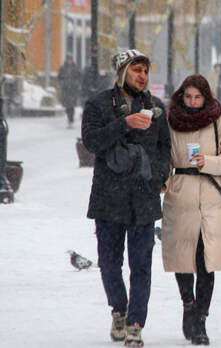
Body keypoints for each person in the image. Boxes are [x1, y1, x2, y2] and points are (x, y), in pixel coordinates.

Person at [81, 49, 171, 346]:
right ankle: (119, 310)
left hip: (143, 199)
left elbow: (163, 149)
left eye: (145, 71)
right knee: (109, 263)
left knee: (141, 265)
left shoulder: (156, 107)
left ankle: (135, 324)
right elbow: (92, 142)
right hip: (109, 197)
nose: (142, 76)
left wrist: (156, 177)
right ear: (122, 72)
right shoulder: (98, 105)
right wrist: (125, 123)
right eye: (136, 70)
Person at [162, 75, 221, 345]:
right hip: (180, 195)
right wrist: (162, 183)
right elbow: (161, 156)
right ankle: (188, 305)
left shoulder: (218, 120)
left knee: (206, 261)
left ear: (205, 97)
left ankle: (201, 319)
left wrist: (208, 162)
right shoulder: (171, 121)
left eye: (197, 97)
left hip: (211, 196)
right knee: (181, 257)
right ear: (181, 97)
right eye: (188, 97)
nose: (193, 102)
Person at [58, 56, 82, 127]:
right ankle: (69, 119)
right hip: (65, 90)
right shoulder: (63, 68)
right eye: (68, 60)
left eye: (70, 60)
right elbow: (59, 77)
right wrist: (63, 83)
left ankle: (71, 120)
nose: (69, 61)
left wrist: (76, 84)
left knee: (72, 106)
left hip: (73, 90)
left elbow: (79, 77)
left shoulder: (75, 69)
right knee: (67, 106)